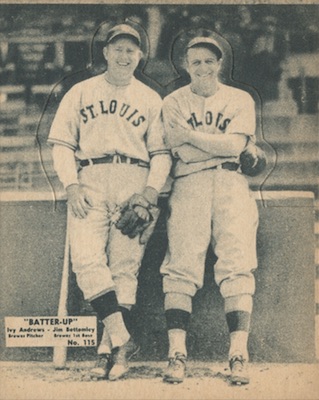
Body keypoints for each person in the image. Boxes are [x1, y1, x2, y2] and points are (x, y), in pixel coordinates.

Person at [48, 23, 171, 381]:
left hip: (134, 179)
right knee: (86, 260)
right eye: (117, 48)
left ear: (140, 55)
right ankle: (122, 337)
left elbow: (161, 153)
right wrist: (71, 185)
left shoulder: (151, 98)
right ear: (105, 53)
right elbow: (61, 145)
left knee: (124, 267)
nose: (124, 55)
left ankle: (112, 353)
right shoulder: (81, 92)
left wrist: (148, 194)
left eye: (131, 49)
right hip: (90, 179)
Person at [160, 33, 260, 385]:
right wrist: (217, 146)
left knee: (236, 263)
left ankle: (238, 354)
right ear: (186, 65)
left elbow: (235, 145)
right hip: (189, 183)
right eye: (196, 61)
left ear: (220, 63)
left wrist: (192, 136)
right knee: (181, 266)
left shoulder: (239, 99)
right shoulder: (172, 101)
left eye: (209, 60)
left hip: (231, 184)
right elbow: (180, 150)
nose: (203, 67)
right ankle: (176, 353)